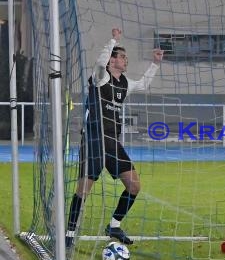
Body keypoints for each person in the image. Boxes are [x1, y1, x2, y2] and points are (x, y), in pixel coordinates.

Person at [65, 28, 164, 247]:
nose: (125, 60)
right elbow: (100, 64)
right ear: (112, 60)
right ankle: (70, 233)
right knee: (84, 188)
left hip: (112, 142)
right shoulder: (100, 78)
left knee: (134, 186)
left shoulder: (125, 83)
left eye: (125, 57)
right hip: (93, 139)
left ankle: (114, 226)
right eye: (122, 57)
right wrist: (112, 40)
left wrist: (155, 64)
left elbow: (144, 84)